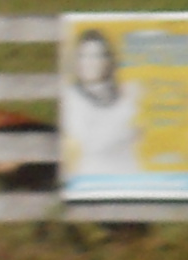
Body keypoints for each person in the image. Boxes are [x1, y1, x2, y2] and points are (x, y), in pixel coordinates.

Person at [59, 26, 148, 189]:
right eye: (84, 56)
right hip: (94, 181)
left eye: (97, 56)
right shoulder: (72, 97)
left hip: (132, 177)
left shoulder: (122, 92)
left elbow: (144, 130)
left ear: (108, 61)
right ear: (76, 60)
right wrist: (127, 113)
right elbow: (93, 145)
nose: (90, 62)